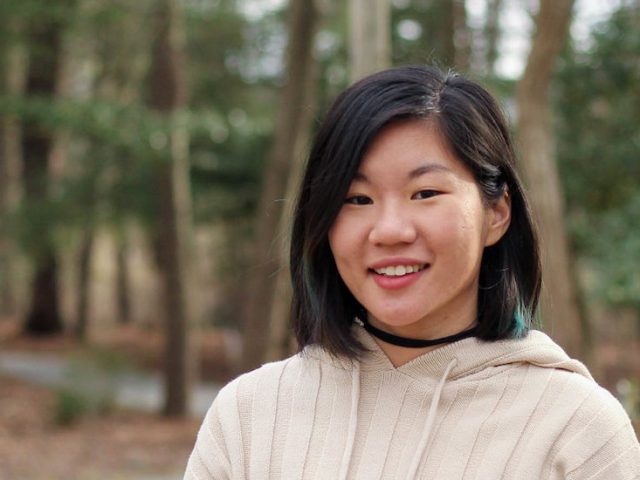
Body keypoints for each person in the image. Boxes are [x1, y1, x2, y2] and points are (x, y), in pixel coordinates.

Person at [184, 65, 640, 479]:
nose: (389, 231)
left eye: (424, 193)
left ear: (497, 213)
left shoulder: (575, 431)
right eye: (357, 199)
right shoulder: (250, 415)